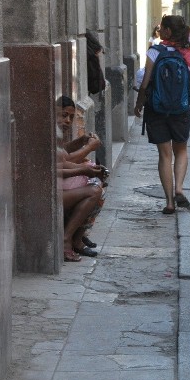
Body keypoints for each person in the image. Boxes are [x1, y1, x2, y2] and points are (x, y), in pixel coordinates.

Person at [133, 15, 190, 214]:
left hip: (157, 108)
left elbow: (145, 81)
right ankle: (180, 188)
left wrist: (139, 104)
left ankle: (169, 202)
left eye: (162, 28)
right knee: (180, 150)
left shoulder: (155, 51)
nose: (159, 30)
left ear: (168, 31)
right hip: (180, 110)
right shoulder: (188, 52)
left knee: (164, 155)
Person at [57, 96, 106, 260]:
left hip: (59, 187)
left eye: (71, 117)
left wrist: (87, 167)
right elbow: (60, 166)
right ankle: (66, 240)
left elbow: (64, 156)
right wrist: (88, 151)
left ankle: (77, 237)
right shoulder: (45, 136)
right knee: (94, 191)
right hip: (47, 195)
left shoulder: (56, 135)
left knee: (97, 183)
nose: (68, 121)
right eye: (64, 115)